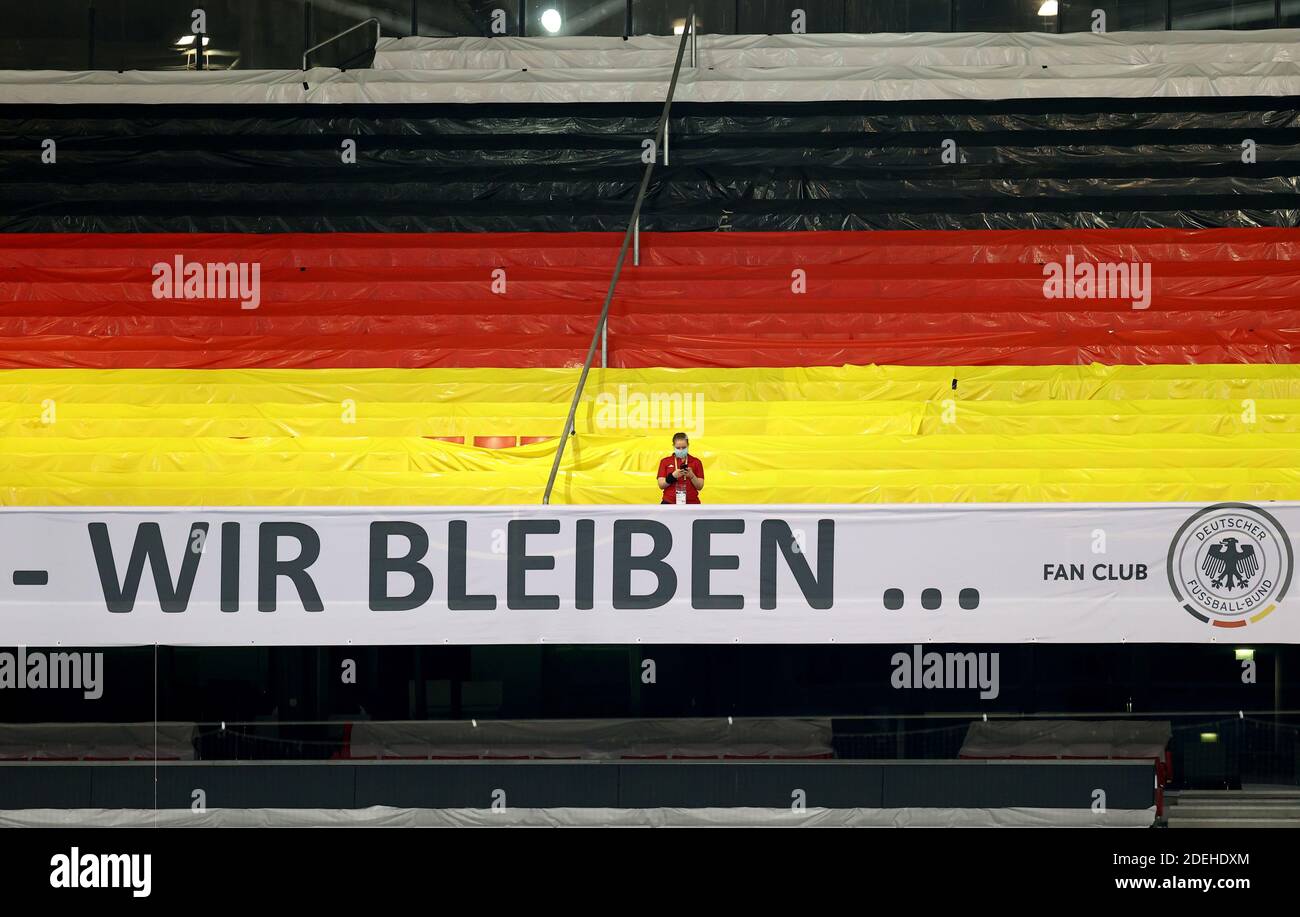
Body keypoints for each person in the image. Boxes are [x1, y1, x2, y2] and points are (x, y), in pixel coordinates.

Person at [656, 432, 704, 505]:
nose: (681, 450)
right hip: (669, 502)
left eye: (684, 447)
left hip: (692, 503)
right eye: (678, 448)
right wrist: (672, 476)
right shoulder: (665, 461)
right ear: (673, 446)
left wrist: (692, 476)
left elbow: (700, 486)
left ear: (688, 446)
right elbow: (661, 485)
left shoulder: (696, 462)